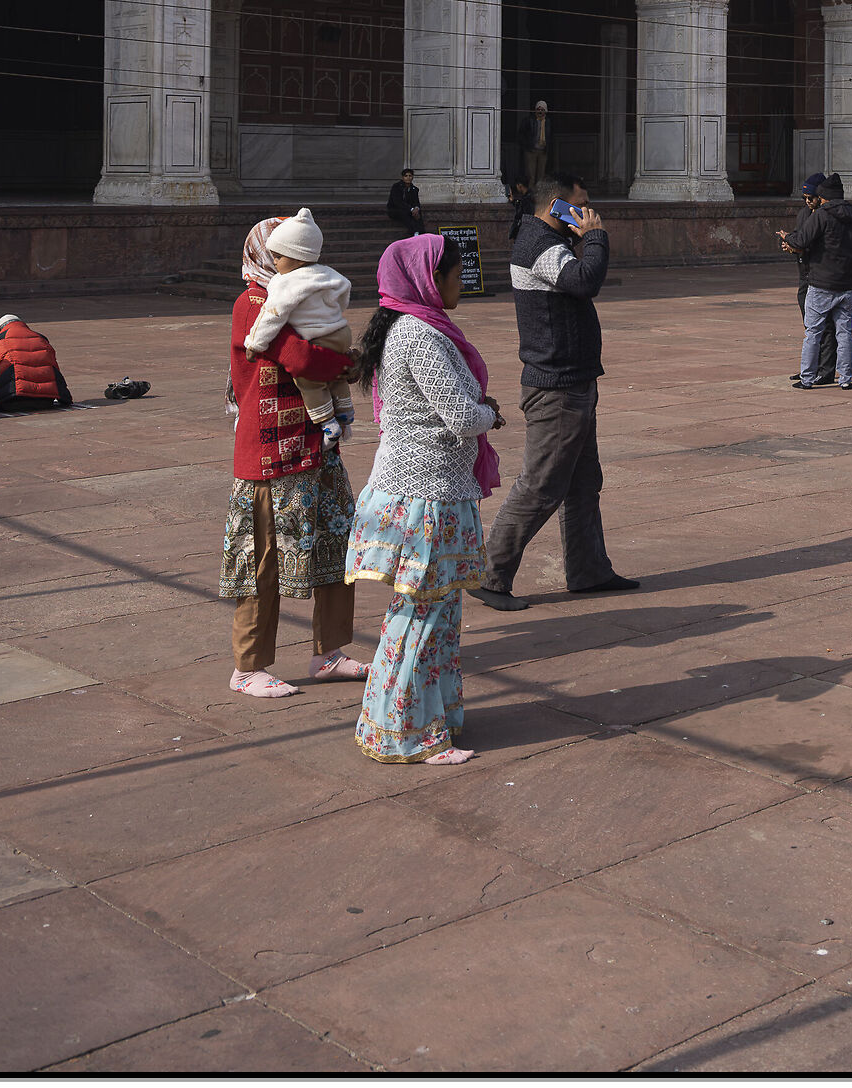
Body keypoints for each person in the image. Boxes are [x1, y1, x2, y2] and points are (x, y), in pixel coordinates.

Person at [346, 233, 502, 765]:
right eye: (455, 274)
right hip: (427, 497)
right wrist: (491, 415)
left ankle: (421, 720)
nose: (463, 282)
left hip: (426, 491)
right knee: (422, 615)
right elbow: (461, 417)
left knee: (431, 612)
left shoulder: (411, 328)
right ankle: (407, 731)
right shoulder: (419, 336)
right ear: (427, 280)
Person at [472, 178, 637, 610]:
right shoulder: (539, 243)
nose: (587, 213)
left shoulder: (545, 239)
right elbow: (585, 282)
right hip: (556, 385)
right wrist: (596, 238)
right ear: (557, 206)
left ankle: (589, 571)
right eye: (580, 206)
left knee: (584, 484)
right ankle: (490, 575)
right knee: (541, 486)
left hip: (574, 379)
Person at [222, 218, 367, 700]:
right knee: (261, 558)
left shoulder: (300, 296)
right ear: (267, 255)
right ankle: (248, 667)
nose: (296, 264)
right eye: (286, 255)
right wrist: (348, 363)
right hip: (268, 453)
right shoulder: (254, 303)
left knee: (334, 545)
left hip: (315, 445)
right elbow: (303, 359)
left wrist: (341, 359)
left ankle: (329, 653)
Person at [243, 208, 354, 445]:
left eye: (278, 255)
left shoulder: (276, 287)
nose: (273, 261)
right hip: (340, 331)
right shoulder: (327, 273)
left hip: (289, 424)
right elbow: (344, 292)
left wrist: (254, 343)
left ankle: (327, 421)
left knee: (309, 382)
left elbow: (273, 318)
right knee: (337, 379)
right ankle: (345, 410)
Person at [785, 174, 852, 391]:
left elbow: (802, 240)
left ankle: (807, 379)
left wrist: (786, 238)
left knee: (813, 332)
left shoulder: (822, 216)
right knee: (844, 334)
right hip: (846, 286)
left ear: (824, 197)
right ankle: (845, 379)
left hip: (821, 284)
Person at [784, 173, 838, 386]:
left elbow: (825, 245)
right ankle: (810, 367)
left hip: (823, 276)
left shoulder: (827, 216)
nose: (808, 202)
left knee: (826, 326)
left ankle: (826, 371)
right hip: (805, 274)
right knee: (811, 325)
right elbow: (800, 238)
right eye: (805, 198)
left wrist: (796, 243)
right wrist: (790, 245)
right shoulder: (805, 214)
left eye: (811, 198)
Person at [0, 314, 71, 411]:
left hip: (11, 401)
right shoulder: (42, 339)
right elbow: (54, 368)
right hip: (45, 401)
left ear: (0, 329)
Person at [521, 100, 553, 191]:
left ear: (545, 111)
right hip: (531, 151)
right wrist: (527, 146)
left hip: (543, 151)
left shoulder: (548, 122)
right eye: (538, 109)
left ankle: (539, 193)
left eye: (542, 109)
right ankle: (531, 193)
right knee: (531, 174)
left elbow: (550, 136)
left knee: (541, 175)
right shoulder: (529, 120)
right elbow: (522, 134)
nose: (540, 111)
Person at [387, 169, 423, 238]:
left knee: (418, 213)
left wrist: (416, 208)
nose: (408, 178)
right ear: (403, 177)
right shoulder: (396, 187)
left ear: (412, 177)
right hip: (395, 210)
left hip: (409, 209)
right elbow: (397, 202)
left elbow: (416, 202)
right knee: (406, 213)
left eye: (410, 176)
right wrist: (411, 209)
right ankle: (414, 232)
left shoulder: (414, 189)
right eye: (406, 176)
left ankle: (420, 233)